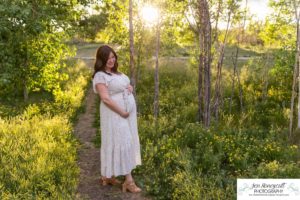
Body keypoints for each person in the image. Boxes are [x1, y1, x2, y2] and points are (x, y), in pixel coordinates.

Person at [92, 45, 142, 193]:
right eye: (108, 58)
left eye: (113, 57)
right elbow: (106, 99)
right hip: (114, 113)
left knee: (119, 140)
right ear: (101, 60)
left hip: (126, 115)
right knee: (122, 140)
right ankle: (129, 181)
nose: (111, 60)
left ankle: (107, 176)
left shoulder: (116, 73)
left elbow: (124, 85)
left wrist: (129, 88)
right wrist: (122, 112)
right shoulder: (100, 76)